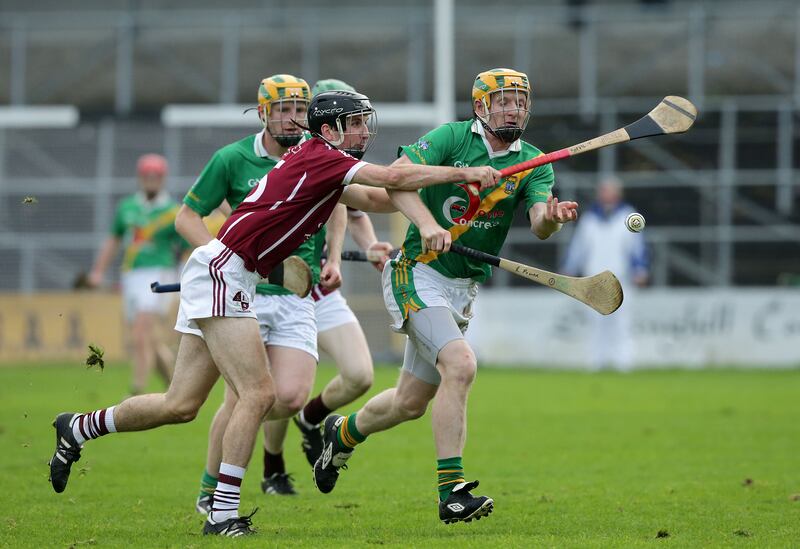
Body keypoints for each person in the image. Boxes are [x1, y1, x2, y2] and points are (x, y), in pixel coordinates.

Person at [48, 87, 501, 537]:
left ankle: (79, 428)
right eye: (356, 122)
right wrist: (463, 171)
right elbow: (392, 179)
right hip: (227, 272)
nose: (365, 130)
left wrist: (456, 186)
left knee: (180, 404)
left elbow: (379, 196)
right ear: (329, 130)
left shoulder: (325, 161)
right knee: (259, 394)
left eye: (366, 121)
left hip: (223, 272)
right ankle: (222, 514)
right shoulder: (324, 157)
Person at [310, 68, 580, 525]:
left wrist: (553, 217)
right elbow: (396, 179)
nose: (515, 108)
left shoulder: (535, 160)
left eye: (520, 100)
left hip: (462, 286)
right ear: (481, 107)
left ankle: (342, 434)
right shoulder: (452, 139)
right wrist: (429, 226)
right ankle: (451, 493)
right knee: (461, 364)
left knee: (408, 404)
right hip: (416, 273)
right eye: (505, 100)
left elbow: (538, 224)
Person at [175, 74, 335, 510]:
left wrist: (334, 256)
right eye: (284, 109)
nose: (294, 118)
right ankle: (214, 493)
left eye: (301, 110)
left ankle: (219, 487)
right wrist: (224, 256)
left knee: (287, 397)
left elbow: (344, 200)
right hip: (241, 292)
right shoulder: (231, 159)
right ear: (263, 113)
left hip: (295, 294)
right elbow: (187, 217)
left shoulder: (316, 156)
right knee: (244, 396)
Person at [260, 79, 394, 483]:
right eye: (353, 121)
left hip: (316, 284)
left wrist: (362, 249)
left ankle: (310, 418)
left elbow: (352, 208)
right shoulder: (292, 157)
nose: (361, 130)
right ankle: (272, 466)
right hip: (274, 287)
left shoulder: (337, 161)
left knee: (358, 375)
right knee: (275, 389)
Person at [87, 154, 187, 394]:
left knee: (141, 331)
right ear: (140, 178)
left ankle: (136, 390)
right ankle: (175, 386)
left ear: (163, 179)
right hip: (131, 274)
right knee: (150, 340)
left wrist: (185, 276)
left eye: (156, 176)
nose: (151, 181)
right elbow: (113, 240)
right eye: (147, 176)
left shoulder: (173, 212)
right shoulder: (127, 207)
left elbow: (186, 247)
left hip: (159, 275)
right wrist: (98, 271)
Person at [561, 176, 649, 371]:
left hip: (621, 280)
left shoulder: (629, 216)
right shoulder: (589, 220)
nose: (605, 195)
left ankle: (623, 363)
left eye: (609, 191)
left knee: (622, 323)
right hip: (594, 281)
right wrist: (569, 268)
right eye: (603, 191)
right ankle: (595, 363)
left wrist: (640, 269)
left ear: (618, 194)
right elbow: (578, 248)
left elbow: (638, 247)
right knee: (595, 323)